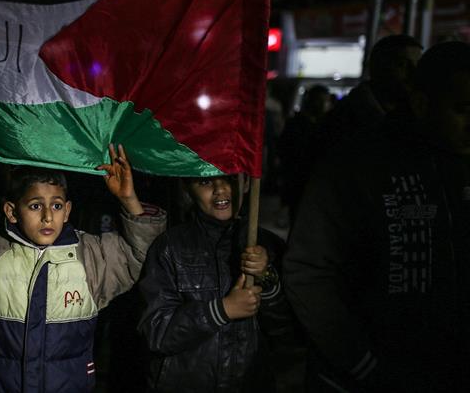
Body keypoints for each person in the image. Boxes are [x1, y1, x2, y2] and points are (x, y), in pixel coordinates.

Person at [283, 41, 470, 392]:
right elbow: (308, 268)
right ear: (422, 103)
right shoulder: (357, 161)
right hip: (370, 373)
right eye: (461, 109)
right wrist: (359, 361)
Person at [0, 128, 167, 392]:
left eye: (57, 206)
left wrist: (129, 199)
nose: (48, 216)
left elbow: (146, 257)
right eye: (36, 206)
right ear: (12, 211)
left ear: (67, 211)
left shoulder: (90, 255)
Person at [137, 174, 291, 392]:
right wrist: (221, 310)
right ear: (188, 189)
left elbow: (288, 332)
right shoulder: (169, 247)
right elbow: (156, 333)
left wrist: (266, 277)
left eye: (230, 179)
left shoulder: (269, 247)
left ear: (247, 182)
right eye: (205, 181)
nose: (220, 189)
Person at [278, 84, 332, 224]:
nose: (322, 105)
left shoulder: (326, 126)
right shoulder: (296, 124)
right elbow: (285, 152)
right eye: (319, 100)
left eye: (325, 101)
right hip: (299, 183)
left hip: (318, 185)